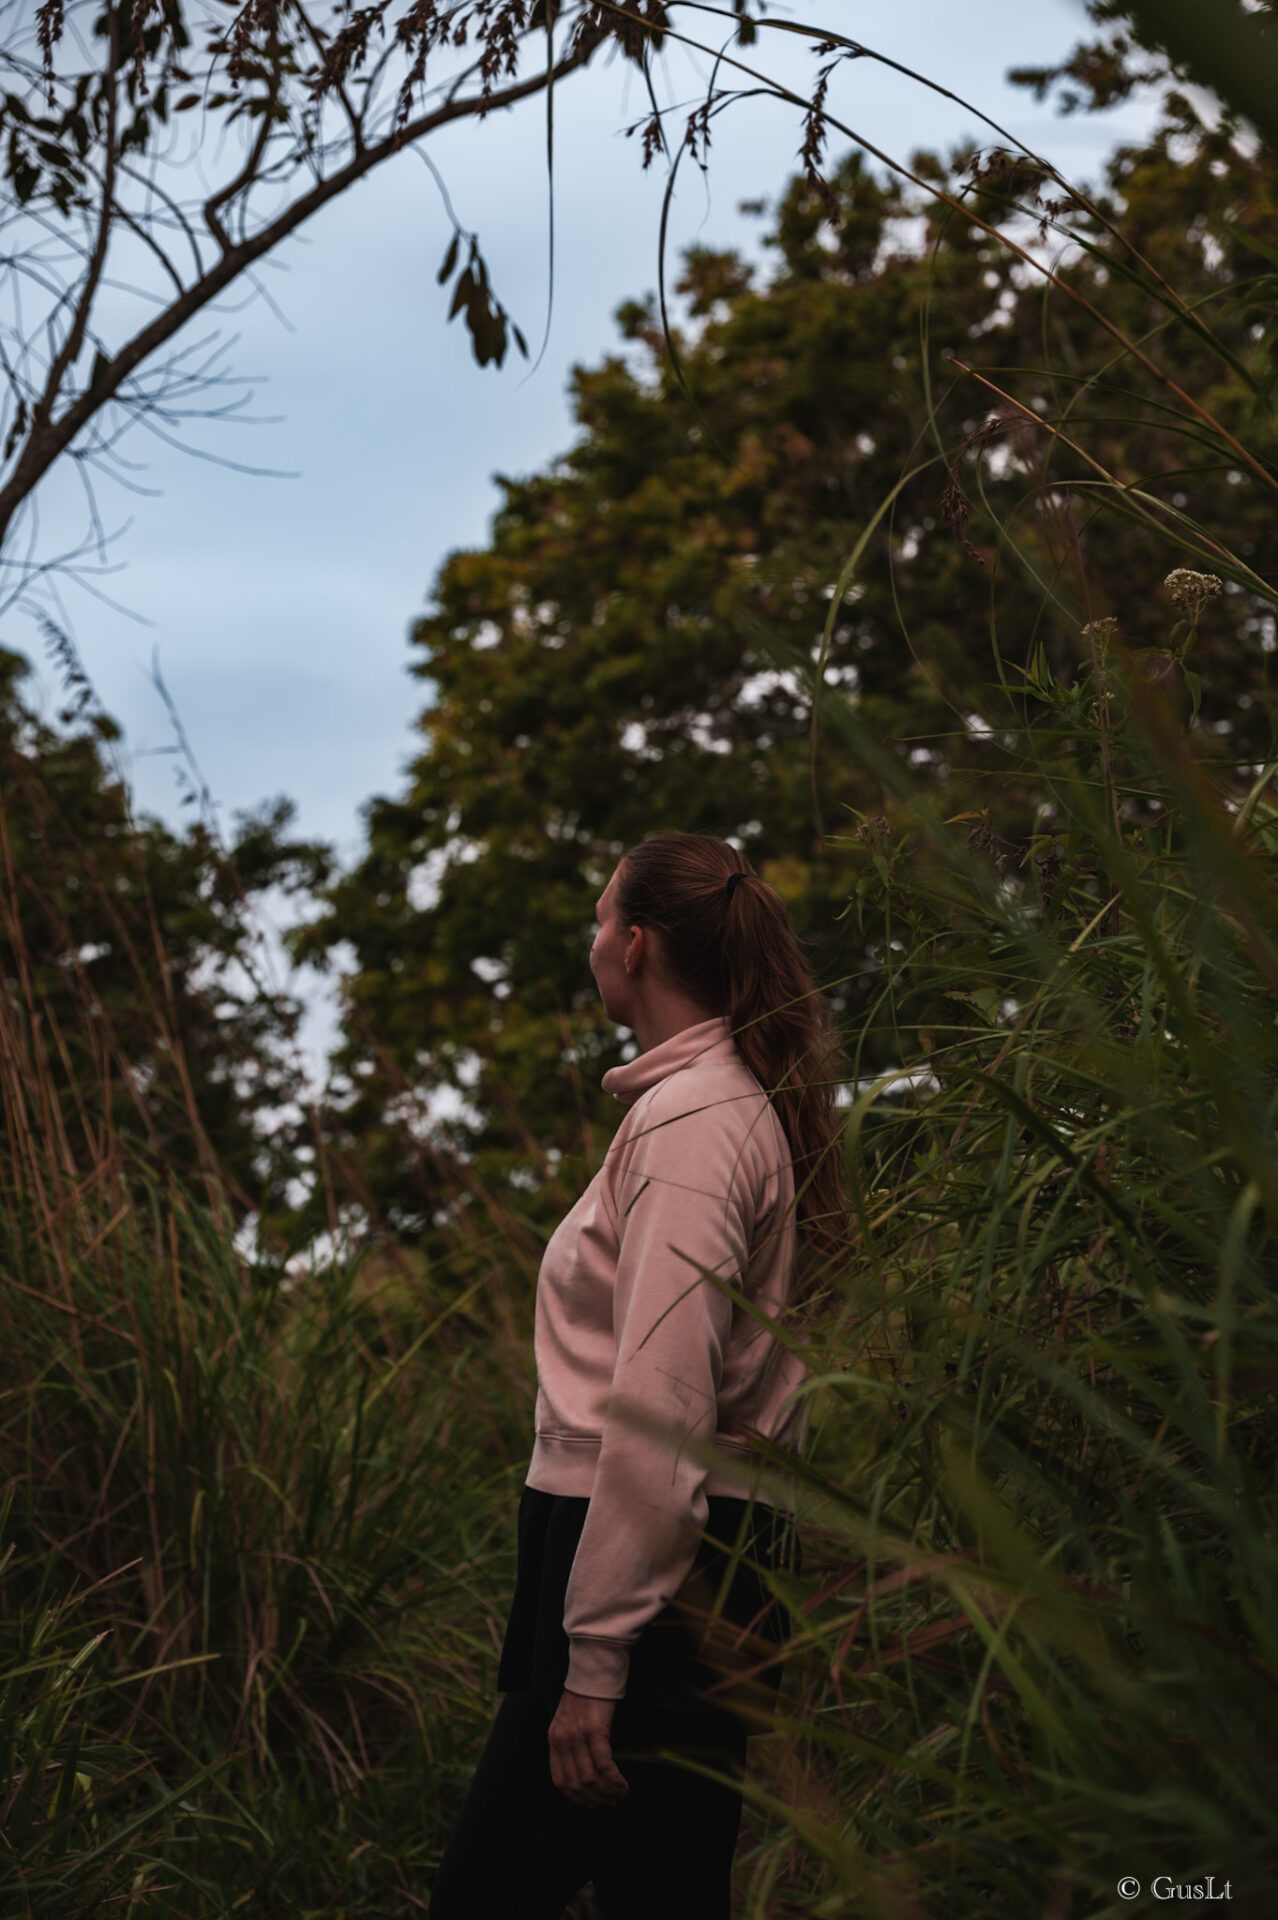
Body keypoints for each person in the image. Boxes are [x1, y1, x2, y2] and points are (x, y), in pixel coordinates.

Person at [428, 831, 845, 1920]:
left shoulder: (697, 1125)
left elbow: (664, 1407)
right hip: (694, 1564)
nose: (595, 941)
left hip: (656, 1576)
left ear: (638, 944)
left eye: (600, 919)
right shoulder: (718, 1106)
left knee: (487, 1895)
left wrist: (597, 1660)